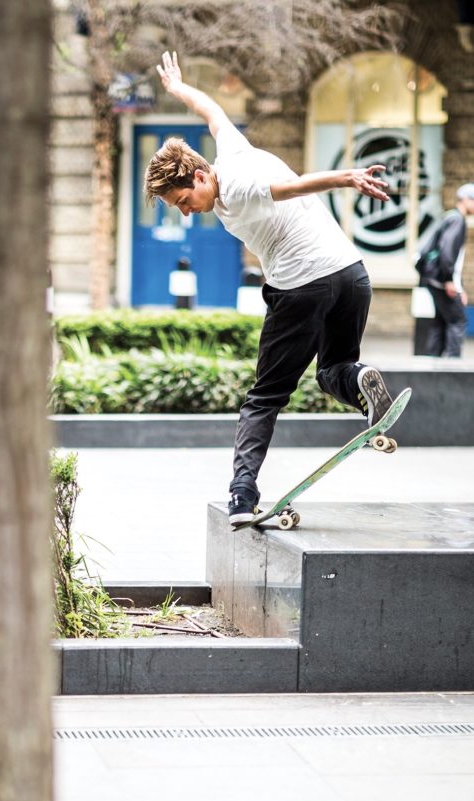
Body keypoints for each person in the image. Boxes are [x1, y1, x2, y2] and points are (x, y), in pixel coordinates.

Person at [145, 49, 397, 527]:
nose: (185, 211)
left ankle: (242, 496)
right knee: (334, 369)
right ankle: (361, 380)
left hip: (302, 287)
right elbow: (213, 111)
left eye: (183, 200)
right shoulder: (232, 149)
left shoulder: (235, 184)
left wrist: (346, 177)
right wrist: (179, 90)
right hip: (351, 273)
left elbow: (291, 188)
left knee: (264, 398)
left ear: (201, 176)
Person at [416, 184, 474, 358]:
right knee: (458, 320)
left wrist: (459, 285)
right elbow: (447, 252)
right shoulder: (457, 220)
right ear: (465, 200)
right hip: (441, 279)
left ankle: (433, 366)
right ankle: (453, 369)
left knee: (441, 322)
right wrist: (449, 281)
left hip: (434, 278)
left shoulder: (450, 217)